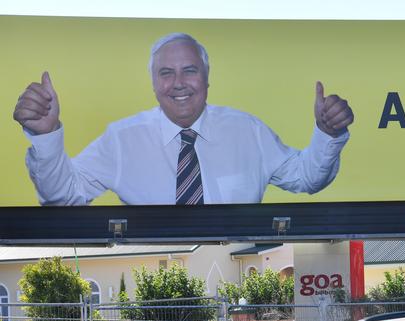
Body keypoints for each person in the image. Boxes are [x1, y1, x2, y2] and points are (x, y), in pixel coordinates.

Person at [12, 33, 354, 205]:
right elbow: (63, 195)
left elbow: (307, 178)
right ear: (153, 83)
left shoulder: (247, 130)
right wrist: (46, 136)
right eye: (166, 73)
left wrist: (326, 134)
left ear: (207, 79)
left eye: (189, 71)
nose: (178, 83)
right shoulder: (122, 139)